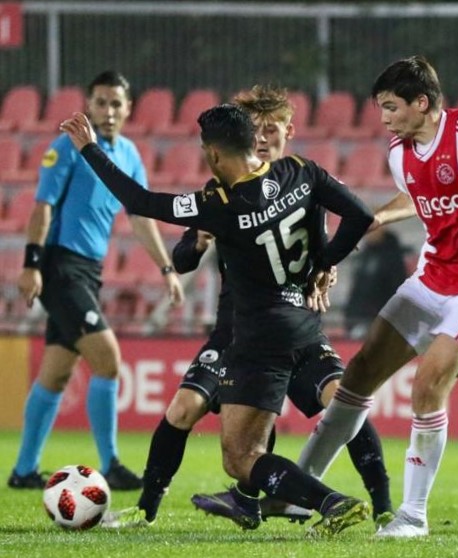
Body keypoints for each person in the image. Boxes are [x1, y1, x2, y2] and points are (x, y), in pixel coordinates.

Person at [287, 55, 458, 538]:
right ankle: (295, 492)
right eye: (381, 108)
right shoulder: (399, 152)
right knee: (358, 375)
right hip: (430, 280)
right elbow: (415, 197)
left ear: (422, 103)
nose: (384, 118)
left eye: (392, 106)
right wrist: (378, 218)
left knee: (428, 381)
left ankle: (413, 516)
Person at [59, 103, 375, 537]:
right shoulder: (301, 172)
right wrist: (325, 260)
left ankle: (332, 501)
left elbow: (139, 200)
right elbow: (361, 215)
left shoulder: (220, 203)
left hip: (256, 337)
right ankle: (322, 502)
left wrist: (90, 150)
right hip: (300, 325)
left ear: (212, 154)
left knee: (240, 456)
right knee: (246, 433)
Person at [9, 71, 183, 491]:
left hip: (89, 272)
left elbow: (140, 218)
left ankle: (22, 471)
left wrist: (166, 268)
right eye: (100, 102)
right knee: (108, 359)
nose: (108, 111)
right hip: (60, 269)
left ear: (127, 109)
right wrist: (32, 263)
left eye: (116, 103)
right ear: (89, 104)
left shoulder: (129, 155)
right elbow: (42, 207)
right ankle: (111, 462)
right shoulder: (68, 146)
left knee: (55, 374)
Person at [343, 226, 408, 339]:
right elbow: (356, 290)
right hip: (358, 319)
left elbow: (396, 289)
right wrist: (350, 313)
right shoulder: (364, 255)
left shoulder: (393, 256)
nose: (368, 234)